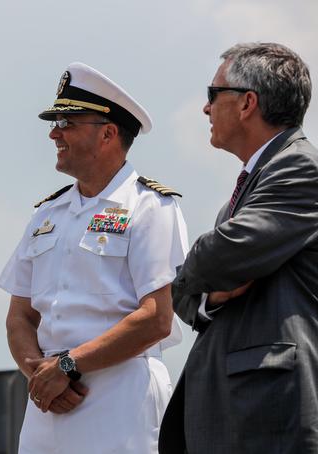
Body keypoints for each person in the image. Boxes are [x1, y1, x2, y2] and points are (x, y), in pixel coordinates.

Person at [0, 62, 189, 453]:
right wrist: (39, 372)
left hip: (120, 396)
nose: (54, 133)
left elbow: (156, 317)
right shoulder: (46, 214)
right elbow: (20, 316)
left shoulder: (150, 207)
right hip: (48, 399)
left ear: (108, 133)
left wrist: (68, 366)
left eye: (67, 122)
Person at [159, 43, 317, 454]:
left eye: (213, 94)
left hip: (268, 412)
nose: (205, 109)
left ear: (248, 102)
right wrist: (208, 295)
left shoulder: (300, 169)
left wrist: (197, 273)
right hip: (237, 413)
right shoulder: (250, 187)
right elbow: (183, 292)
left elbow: (218, 255)